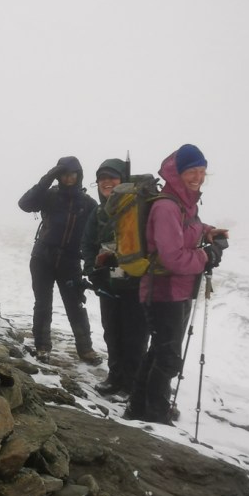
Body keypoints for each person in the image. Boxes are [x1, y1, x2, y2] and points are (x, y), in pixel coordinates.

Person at [124, 144, 228, 425]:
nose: (198, 177)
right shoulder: (167, 206)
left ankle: (137, 408)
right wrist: (207, 255)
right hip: (163, 291)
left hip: (177, 291)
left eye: (202, 171)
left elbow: (188, 227)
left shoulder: (185, 203)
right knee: (168, 358)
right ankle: (156, 416)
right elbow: (173, 258)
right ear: (178, 173)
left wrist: (208, 231)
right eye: (192, 171)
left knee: (159, 351)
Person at [18, 157, 101, 364]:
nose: (68, 178)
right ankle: (42, 347)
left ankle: (86, 349)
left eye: (73, 174)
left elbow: (96, 235)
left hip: (70, 261)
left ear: (79, 175)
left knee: (75, 305)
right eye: (63, 174)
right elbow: (25, 204)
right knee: (43, 304)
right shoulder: (49, 196)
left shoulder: (89, 204)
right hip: (42, 258)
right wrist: (48, 177)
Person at [81, 158, 149, 396]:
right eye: (102, 178)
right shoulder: (98, 212)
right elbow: (87, 245)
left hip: (136, 283)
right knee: (112, 331)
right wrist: (93, 271)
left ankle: (133, 383)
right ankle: (115, 377)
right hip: (108, 282)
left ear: (124, 180)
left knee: (135, 335)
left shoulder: (139, 209)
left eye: (112, 177)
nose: (107, 182)